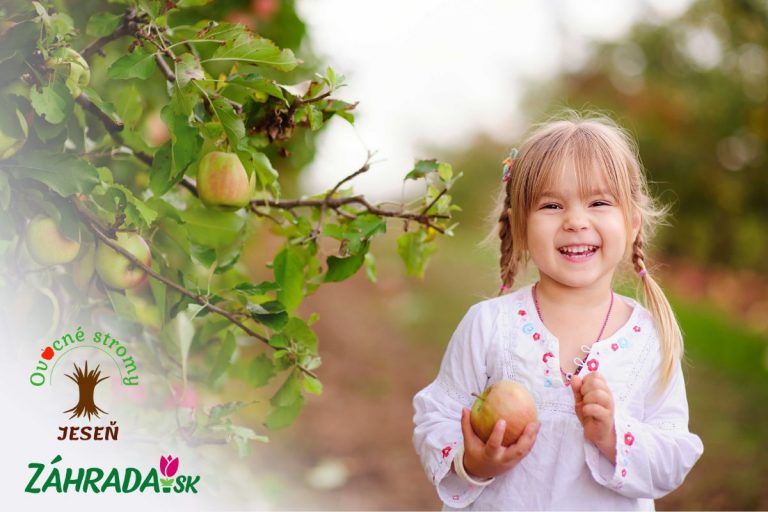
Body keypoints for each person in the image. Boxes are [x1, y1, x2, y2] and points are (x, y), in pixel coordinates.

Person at [411, 111, 704, 510]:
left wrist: (612, 434)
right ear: (518, 227)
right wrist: (473, 460)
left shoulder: (649, 338)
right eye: (551, 205)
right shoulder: (490, 326)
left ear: (632, 223)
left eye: (598, 202)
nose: (576, 221)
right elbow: (436, 416)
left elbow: (673, 456)